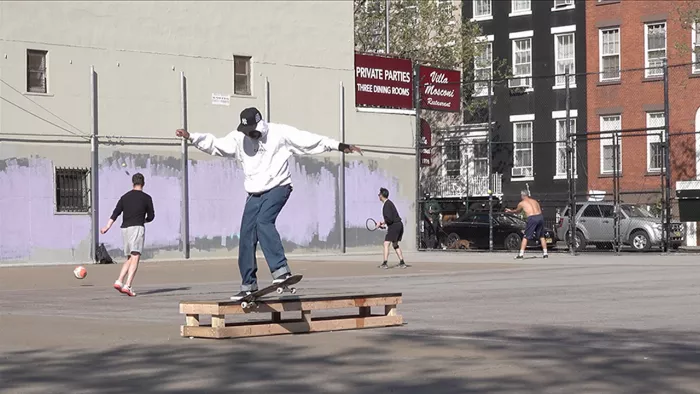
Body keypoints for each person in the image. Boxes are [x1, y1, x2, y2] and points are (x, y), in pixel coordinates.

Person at [176, 107, 362, 300]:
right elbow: (216, 144)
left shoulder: (279, 133)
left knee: (264, 222)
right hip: (254, 194)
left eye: (253, 131)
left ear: (260, 124)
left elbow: (309, 140)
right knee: (246, 235)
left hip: (278, 188)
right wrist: (192, 137)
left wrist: (339, 145)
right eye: (246, 132)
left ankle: (281, 271)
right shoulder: (238, 138)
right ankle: (248, 284)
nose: (250, 135)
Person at [101, 172, 155, 296]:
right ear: (143, 184)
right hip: (137, 228)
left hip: (124, 228)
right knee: (135, 257)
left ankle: (119, 281)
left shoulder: (124, 197)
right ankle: (128, 285)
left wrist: (107, 227)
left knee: (130, 257)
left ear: (132, 183)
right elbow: (151, 216)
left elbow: (116, 213)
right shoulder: (147, 198)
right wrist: (144, 220)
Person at [505, 190, 548, 259]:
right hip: (540, 217)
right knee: (541, 236)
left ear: (522, 196)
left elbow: (517, 211)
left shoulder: (522, 203)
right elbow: (539, 210)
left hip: (532, 218)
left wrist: (510, 211)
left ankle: (521, 254)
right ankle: (545, 254)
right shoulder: (535, 201)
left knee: (525, 237)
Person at [377, 187, 407, 269]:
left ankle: (385, 263)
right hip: (399, 225)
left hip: (395, 226)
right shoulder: (389, 203)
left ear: (382, 196)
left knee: (386, 243)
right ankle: (402, 262)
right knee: (395, 244)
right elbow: (390, 219)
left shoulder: (386, 205)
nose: (378, 196)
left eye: (379, 194)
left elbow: (389, 219)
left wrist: (381, 223)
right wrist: (383, 224)